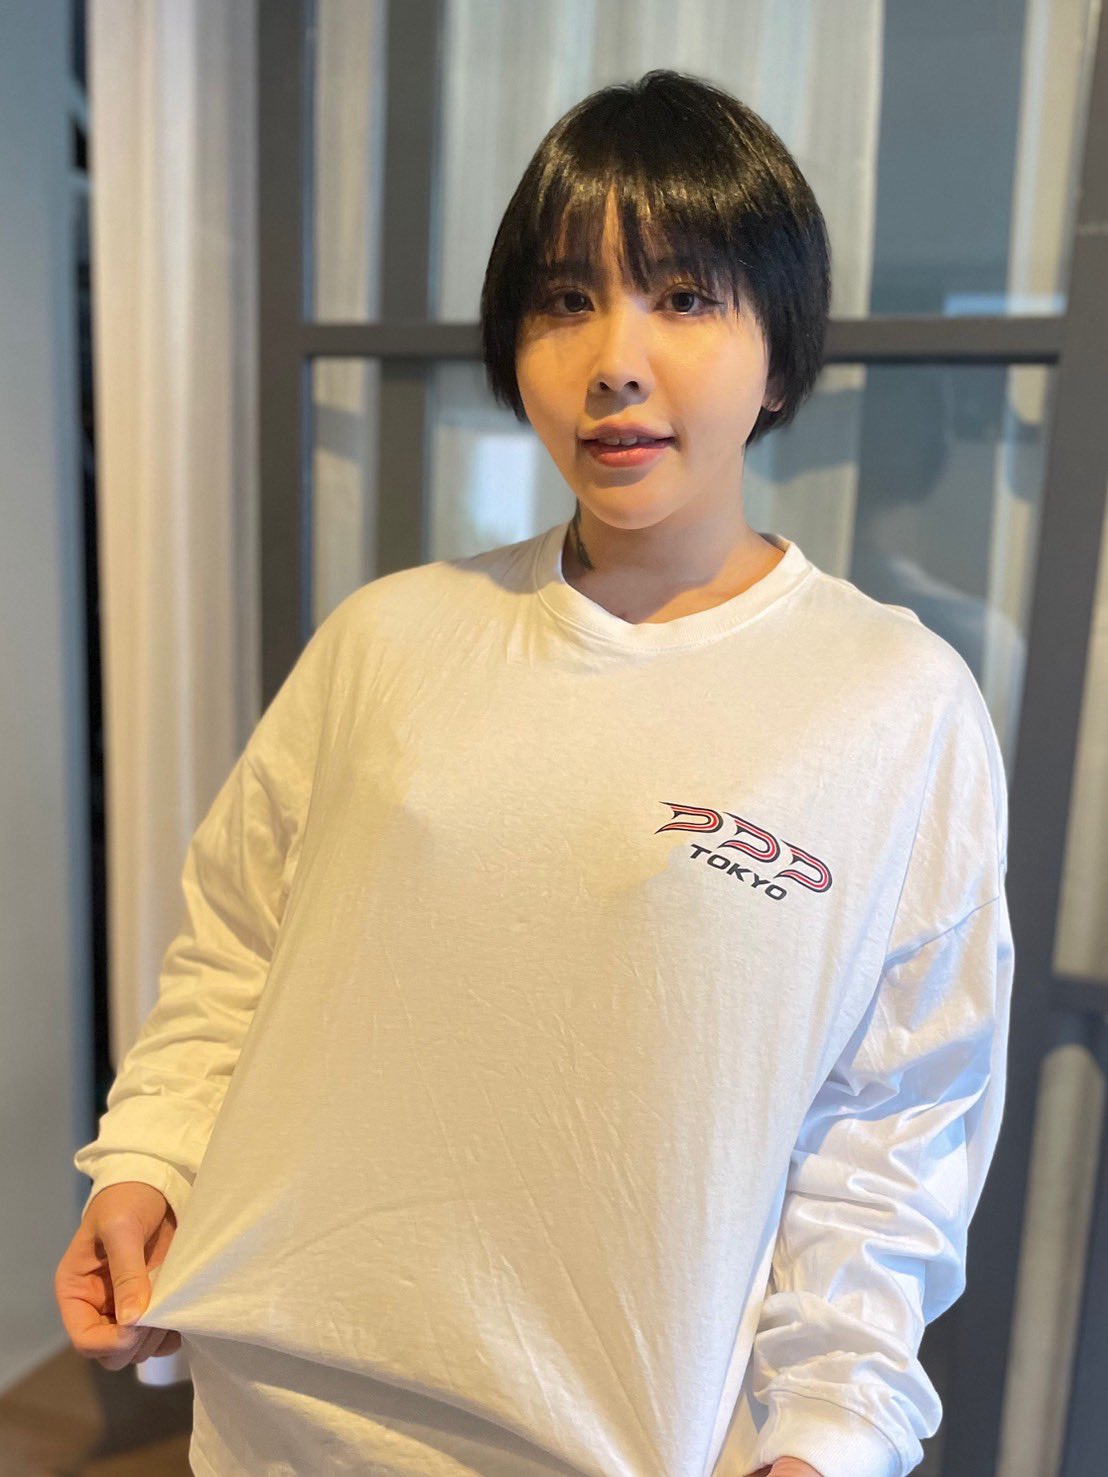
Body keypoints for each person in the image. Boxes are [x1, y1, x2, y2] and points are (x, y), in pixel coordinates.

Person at [55, 69, 1013, 1477]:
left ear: (780, 350)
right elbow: (238, 953)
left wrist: (833, 1429)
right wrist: (151, 1156)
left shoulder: (891, 701)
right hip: (278, 1418)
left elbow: (895, 1125)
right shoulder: (390, 637)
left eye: (683, 297)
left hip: (623, 1442)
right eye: (566, 299)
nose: (614, 360)